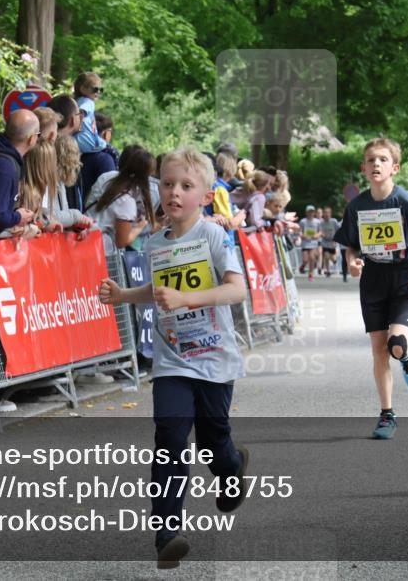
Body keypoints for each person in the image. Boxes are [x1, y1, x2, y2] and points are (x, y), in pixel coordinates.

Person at [98, 146, 249, 570]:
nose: (174, 193)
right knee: (169, 440)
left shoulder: (213, 236)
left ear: (205, 194)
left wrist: (189, 298)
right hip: (172, 361)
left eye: (186, 185)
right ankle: (166, 533)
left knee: (213, 441)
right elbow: (160, 290)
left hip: (214, 358)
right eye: (166, 184)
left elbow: (236, 289)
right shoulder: (154, 242)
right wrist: (125, 295)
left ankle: (232, 467)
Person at [334, 138, 408, 440]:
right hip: (372, 279)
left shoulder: (407, 202)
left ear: (394, 167)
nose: (376, 164)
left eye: (383, 159)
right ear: (363, 167)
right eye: (371, 160)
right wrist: (353, 262)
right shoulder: (357, 206)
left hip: (403, 278)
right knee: (379, 350)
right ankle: (387, 415)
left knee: (396, 343)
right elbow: (350, 245)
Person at [85, 145, 155, 251]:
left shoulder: (106, 176)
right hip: (100, 252)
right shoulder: (126, 201)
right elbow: (121, 242)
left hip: (82, 237)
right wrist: (139, 227)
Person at [298, 205, 322, 281]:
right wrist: (302, 235)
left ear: (314, 213)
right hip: (305, 243)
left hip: (313, 243)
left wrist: (316, 235)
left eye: (312, 212)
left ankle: (310, 274)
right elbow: (299, 231)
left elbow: (320, 232)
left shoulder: (317, 222)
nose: (311, 213)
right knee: (305, 260)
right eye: (309, 212)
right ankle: (302, 266)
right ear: (306, 212)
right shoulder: (303, 221)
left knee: (312, 258)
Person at [319, 206, 341, 277]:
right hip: (325, 242)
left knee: (333, 258)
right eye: (325, 212)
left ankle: (334, 261)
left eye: (328, 212)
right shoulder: (321, 222)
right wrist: (321, 234)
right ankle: (327, 271)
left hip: (332, 243)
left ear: (330, 214)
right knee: (326, 256)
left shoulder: (334, 221)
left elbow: (338, 230)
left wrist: (337, 239)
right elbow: (319, 231)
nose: (327, 214)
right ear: (323, 214)